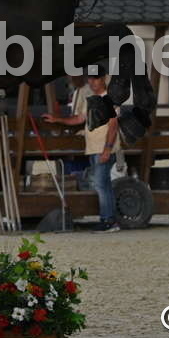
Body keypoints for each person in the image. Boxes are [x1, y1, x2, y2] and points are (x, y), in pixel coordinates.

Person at [42, 66, 125, 233]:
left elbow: (113, 126)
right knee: (103, 184)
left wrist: (107, 149)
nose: (92, 82)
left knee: (100, 184)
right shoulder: (90, 99)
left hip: (103, 148)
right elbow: (79, 119)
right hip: (94, 148)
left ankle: (108, 220)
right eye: (90, 78)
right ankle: (110, 220)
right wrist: (58, 119)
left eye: (96, 78)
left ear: (103, 79)